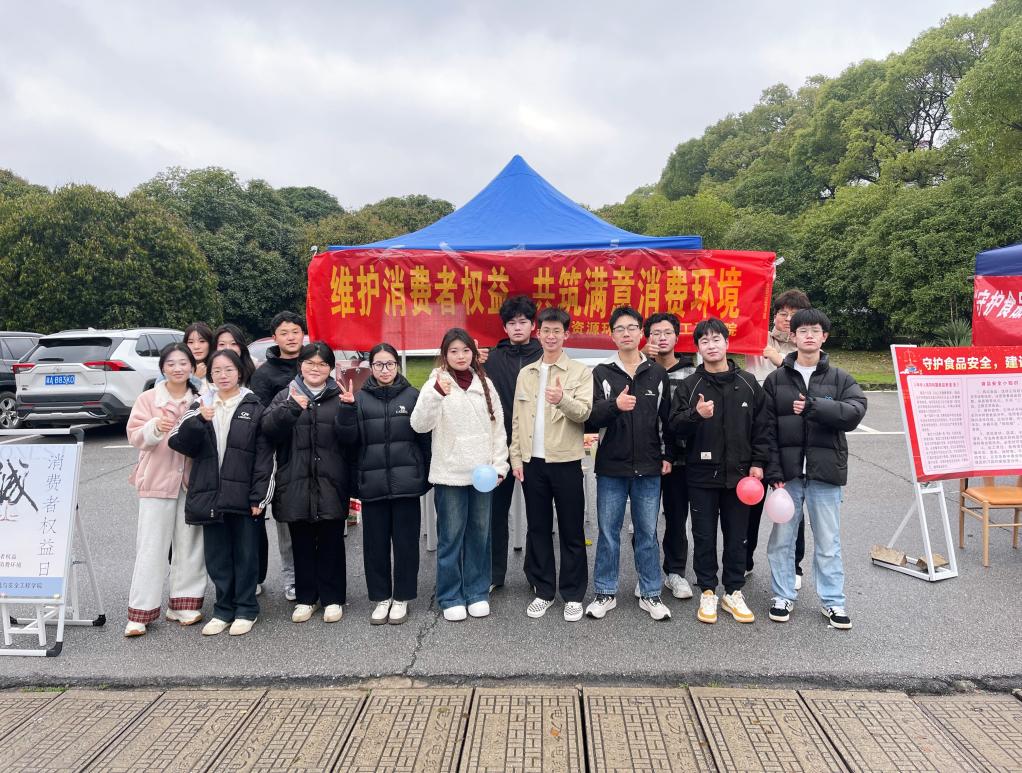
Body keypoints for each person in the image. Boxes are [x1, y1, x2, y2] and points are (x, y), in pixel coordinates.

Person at [763, 308, 866, 630]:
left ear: (824, 337)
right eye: (802, 331)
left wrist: (815, 407)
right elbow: (766, 430)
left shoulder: (840, 378)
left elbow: (855, 412)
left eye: (815, 331)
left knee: (828, 542)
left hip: (825, 474)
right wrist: (773, 472)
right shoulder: (776, 380)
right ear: (792, 337)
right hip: (788, 477)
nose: (809, 336)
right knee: (782, 540)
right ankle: (782, 596)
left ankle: (833, 602)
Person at [670, 318, 768, 625]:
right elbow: (674, 427)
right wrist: (695, 415)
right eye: (704, 341)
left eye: (716, 339)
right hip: (701, 475)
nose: (711, 346)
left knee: (737, 536)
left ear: (727, 343)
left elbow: (763, 427)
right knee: (704, 535)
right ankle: (708, 591)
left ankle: (733, 591)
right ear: (697, 348)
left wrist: (758, 462)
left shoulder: (749, 383)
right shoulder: (690, 385)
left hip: (741, 477)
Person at [168, 349, 273, 636]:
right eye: (217, 371)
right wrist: (199, 420)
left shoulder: (254, 405)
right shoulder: (200, 404)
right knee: (217, 556)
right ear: (210, 375)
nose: (223, 375)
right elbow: (178, 442)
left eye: (229, 370)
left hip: (244, 496)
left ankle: (247, 609)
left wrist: (259, 496)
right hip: (210, 494)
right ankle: (223, 609)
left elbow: (265, 457)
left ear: (239, 372)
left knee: (246, 554)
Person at [410, 328, 509, 622]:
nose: (461, 356)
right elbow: (419, 425)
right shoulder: (436, 383)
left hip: (482, 475)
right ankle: (450, 595)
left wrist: (499, 466)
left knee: (480, 535)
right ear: (445, 355)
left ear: (474, 353)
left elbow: (498, 429)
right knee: (451, 537)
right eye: (453, 351)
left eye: (465, 350)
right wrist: (435, 395)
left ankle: (477, 592)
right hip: (450, 474)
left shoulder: (485, 384)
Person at [584, 306, 673, 622]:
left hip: (649, 467)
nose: (626, 333)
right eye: (619, 329)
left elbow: (666, 420)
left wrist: (667, 456)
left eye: (631, 327)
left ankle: (650, 593)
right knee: (608, 532)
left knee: (647, 533)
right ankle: (605, 592)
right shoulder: (601, 372)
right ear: (612, 335)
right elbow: (590, 417)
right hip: (611, 467)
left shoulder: (657, 373)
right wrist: (615, 405)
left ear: (641, 333)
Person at [509, 307, 592, 622]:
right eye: (546, 330)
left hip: (566, 461)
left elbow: (584, 413)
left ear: (566, 334)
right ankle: (544, 591)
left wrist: (562, 399)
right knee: (538, 528)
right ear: (538, 333)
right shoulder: (527, 373)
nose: (551, 336)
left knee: (572, 530)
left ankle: (573, 594)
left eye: (557, 331)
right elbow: (517, 420)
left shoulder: (580, 372)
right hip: (533, 464)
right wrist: (516, 457)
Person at [338, 343, 430, 625]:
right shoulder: (359, 399)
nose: (385, 370)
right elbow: (349, 442)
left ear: (397, 366)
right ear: (371, 367)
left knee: (406, 545)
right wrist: (347, 410)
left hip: (406, 484)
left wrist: (424, 476)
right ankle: (381, 598)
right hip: (373, 484)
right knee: (375, 546)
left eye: (390, 364)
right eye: (378, 364)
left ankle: (402, 597)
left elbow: (425, 441)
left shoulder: (413, 396)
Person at [261, 342, 350, 625]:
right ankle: (306, 598)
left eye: (322, 364)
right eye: (310, 363)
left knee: (331, 541)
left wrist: (349, 410)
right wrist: (290, 408)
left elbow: (351, 439)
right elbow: (268, 429)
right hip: (294, 481)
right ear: (300, 365)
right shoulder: (285, 394)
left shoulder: (340, 395)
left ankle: (333, 598)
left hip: (331, 481)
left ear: (330, 368)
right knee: (301, 543)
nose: (315, 368)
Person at [123, 344, 206, 637]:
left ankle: (184, 605)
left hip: (191, 481)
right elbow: (135, 437)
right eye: (171, 363)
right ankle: (140, 613)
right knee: (151, 547)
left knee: (190, 545)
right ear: (162, 368)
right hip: (157, 480)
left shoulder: (200, 398)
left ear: (192, 367)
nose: (178, 368)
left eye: (183, 363)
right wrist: (155, 427)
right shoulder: (148, 399)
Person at [746, 289, 811, 587]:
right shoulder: (757, 339)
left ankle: (794, 566)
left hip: (790, 438)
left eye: (794, 315)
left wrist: (780, 360)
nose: (787, 319)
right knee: (750, 501)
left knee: (791, 505)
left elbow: (809, 381)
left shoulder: (806, 348)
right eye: (782, 313)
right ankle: (744, 559)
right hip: (756, 432)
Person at [480, 295, 542, 591]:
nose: (518, 327)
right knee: (495, 513)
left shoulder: (544, 356)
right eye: (512, 323)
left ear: (533, 325)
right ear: (504, 327)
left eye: (523, 322)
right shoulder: (491, 359)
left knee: (538, 514)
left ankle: (536, 575)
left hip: (535, 446)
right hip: (499, 448)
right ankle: (494, 574)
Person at [248, 311, 307, 602]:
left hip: (316, 451)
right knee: (287, 521)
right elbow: (260, 420)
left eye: (295, 331)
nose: (291, 337)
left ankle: (314, 577)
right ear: (275, 338)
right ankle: (292, 579)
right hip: (282, 455)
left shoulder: (314, 363)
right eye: (284, 333)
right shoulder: (264, 374)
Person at [642, 312, 696, 601]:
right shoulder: (638, 369)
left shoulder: (691, 374)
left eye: (667, 333)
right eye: (655, 333)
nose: (661, 338)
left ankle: (675, 572)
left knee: (676, 518)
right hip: (645, 456)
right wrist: (643, 361)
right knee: (645, 521)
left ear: (677, 337)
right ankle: (646, 573)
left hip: (680, 459)